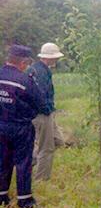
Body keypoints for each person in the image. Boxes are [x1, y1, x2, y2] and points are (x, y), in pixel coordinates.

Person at [0, 45, 45, 208]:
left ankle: (2, 197)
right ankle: (25, 200)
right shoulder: (25, 80)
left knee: (2, 161)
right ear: (24, 62)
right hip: (20, 127)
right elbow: (40, 104)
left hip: (1, 125)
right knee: (23, 163)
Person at [28, 43, 65, 181]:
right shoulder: (41, 72)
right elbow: (40, 96)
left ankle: (32, 159)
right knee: (47, 148)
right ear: (49, 58)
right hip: (42, 114)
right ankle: (41, 180)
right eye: (55, 57)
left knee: (58, 141)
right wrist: (47, 111)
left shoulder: (35, 69)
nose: (56, 60)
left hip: (42, 113)